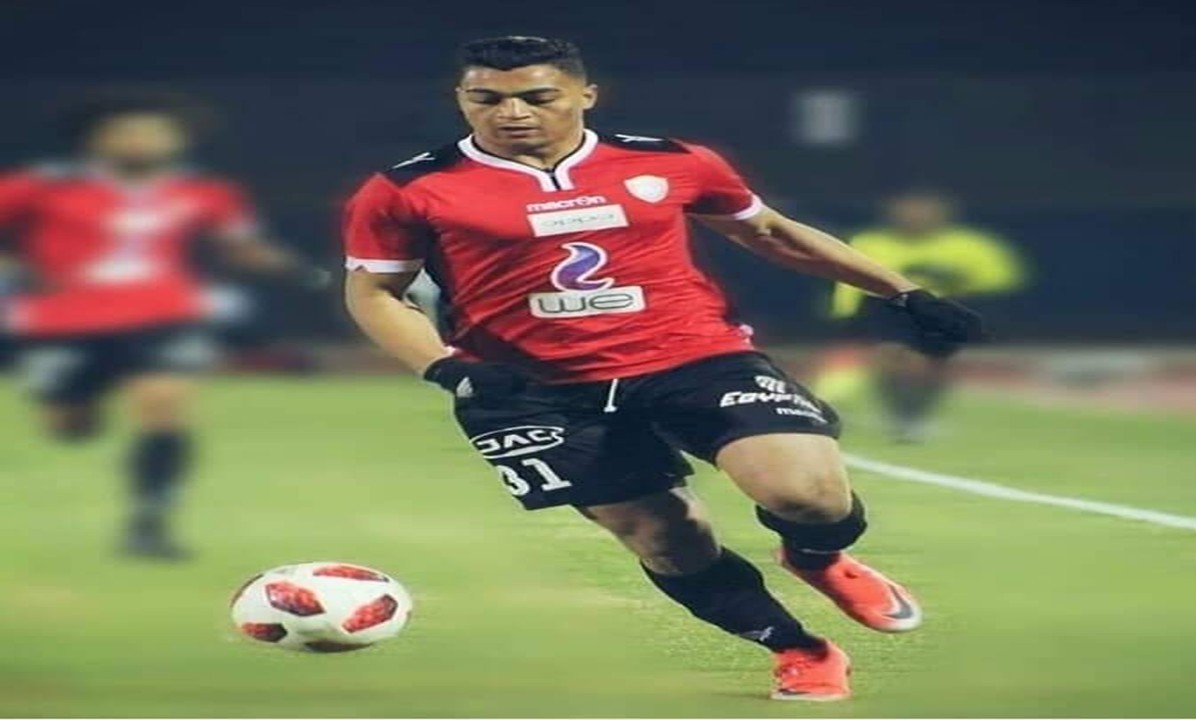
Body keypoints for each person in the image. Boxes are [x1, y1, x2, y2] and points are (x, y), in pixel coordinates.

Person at [343, 37, 983, 701]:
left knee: (810, 495)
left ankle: (816, 556)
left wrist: (903, 293)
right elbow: (375, 293)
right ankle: (798, 649)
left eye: (536, 97)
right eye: (488, 99)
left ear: (585, 95)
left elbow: (770, 232)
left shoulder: (669, 161)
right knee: (666, 536)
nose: (512, 113)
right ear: (462, 99)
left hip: (695, 356)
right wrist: (447, 368)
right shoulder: (406, 189)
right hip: (534, 390)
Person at [0, 91, 329, 559]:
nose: (143, 141)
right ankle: (74, 404)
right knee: (70, 426)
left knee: (165, 404)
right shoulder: (43, 185)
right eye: (128, 132)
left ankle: (149, 523)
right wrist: (13, 268)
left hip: (164, 313)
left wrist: (301, 270)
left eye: (156, 133)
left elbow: (240, 245)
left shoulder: (207, 192)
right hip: (63, 318)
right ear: (96, 140)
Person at [827, 189, 1025, 442]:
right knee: (891, 355)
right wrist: (846, 314)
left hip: (946, 308)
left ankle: (916, 414)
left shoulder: (969, 245)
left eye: (923, 211)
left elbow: (997, 284)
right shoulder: (872, 242)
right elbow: (849, 277)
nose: (915, 217)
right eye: (908, 211)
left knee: (927, 366)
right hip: (889, 308)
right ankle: (899, 414)